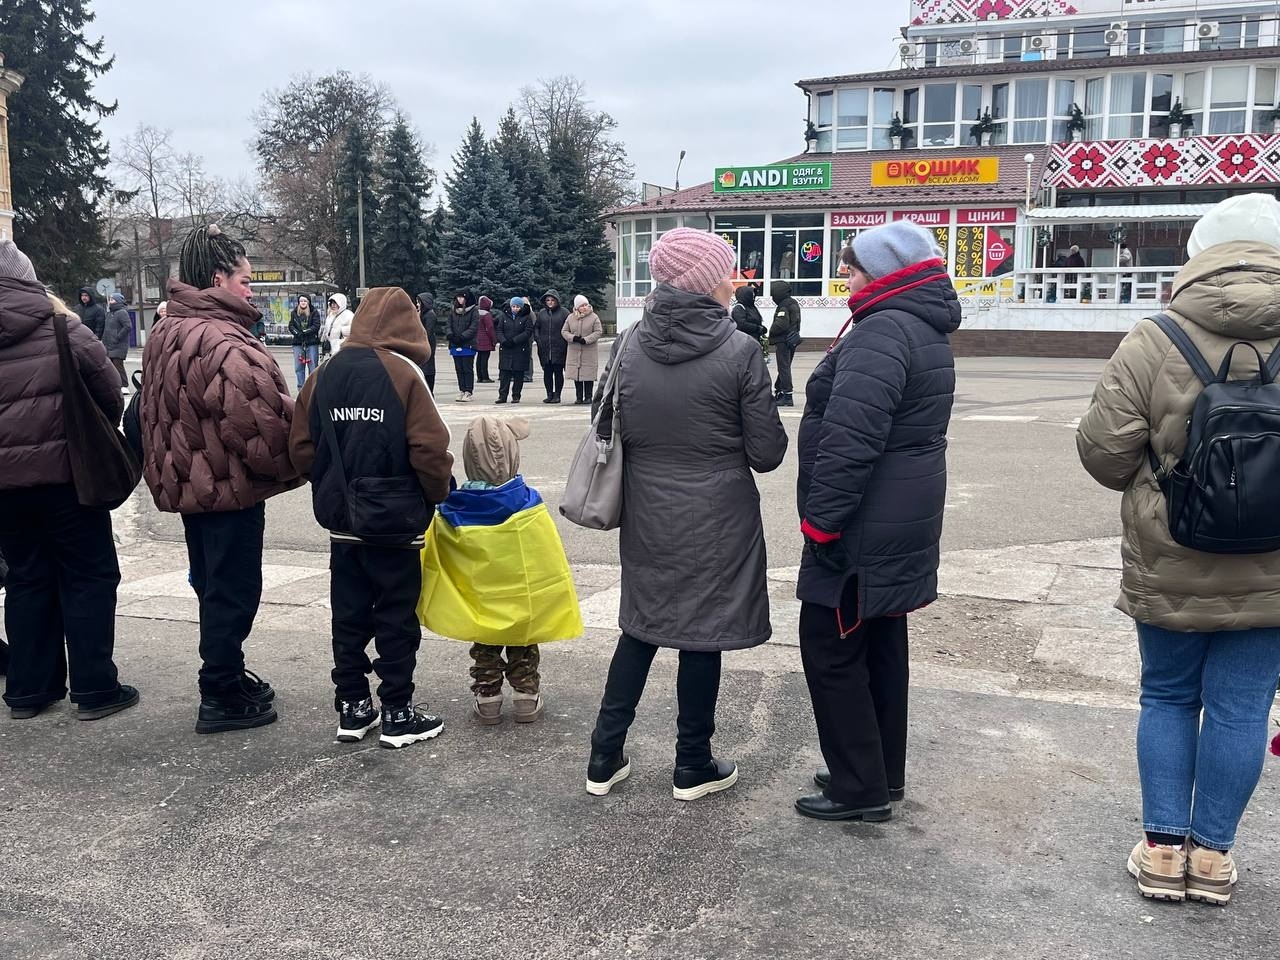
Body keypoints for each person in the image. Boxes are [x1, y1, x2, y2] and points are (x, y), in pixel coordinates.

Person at [1076, 193, 1280, 906]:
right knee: (1243, 708)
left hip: (1172, 552)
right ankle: (1214, 859)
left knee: (1167, 695)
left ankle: (1163, 851)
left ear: (1199, 254)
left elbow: (1104, 458)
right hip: (1275, 567)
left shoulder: (1153, 338)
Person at [585, 227, 788, 801]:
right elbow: (767, 454)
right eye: (727, 269)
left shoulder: (626, 344)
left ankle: (604, 755)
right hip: (719, 514)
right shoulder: (741, 349)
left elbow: (603, 426)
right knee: (702, 635)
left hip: (648, 509)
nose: (735, 280)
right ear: (705, 280)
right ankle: (692, 762)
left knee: (640, 626)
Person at [794, 220, 960, 822]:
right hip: (898, 517)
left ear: (885, 273)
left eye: (854, 266)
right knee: (882, 643)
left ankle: (857, 785)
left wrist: (822, 524)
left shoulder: (882, 330)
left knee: (831, 649)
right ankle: (879, 771)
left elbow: (850, 441)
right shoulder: (916, 325)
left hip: (862, 524)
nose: (845, 275)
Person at [140, 224, 300, 735]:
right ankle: (221, 690)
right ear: (217, 278)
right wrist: (303, 454)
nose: (251, 291)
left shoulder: (168, 329)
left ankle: (227, 672)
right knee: (232, 588)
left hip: (192, 483)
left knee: (212, 583)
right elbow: (260, 421)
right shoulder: (221, 340)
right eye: (246, 281)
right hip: (226, 486)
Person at [288, 286, 453, 750]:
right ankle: (398, 710)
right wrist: (433, 497)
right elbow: (430, 450)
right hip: (396, 521)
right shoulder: (405, 374)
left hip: (343, 522)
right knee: (396, 617)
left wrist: (326, 483)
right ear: (408, 327)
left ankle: (353, 707)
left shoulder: (324, 372)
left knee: (348, 614)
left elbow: (300, 447)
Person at [0, 238, 138, 721]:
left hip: (4, 490)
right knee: (88, 575)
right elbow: (109, 393)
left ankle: (29, 690)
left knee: (26, 578)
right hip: (68, 476)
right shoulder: (64, 329)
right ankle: (96, 688)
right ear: (27, 278)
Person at [419, 416, 580, 724]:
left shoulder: (453, 507)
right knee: (523, 639)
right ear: (511, 454)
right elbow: (546, 553)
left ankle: (487, 696)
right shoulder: (527, 501)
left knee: (485, 640)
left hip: (479, 596)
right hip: (521, 596)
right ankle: (525, 695)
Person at [562, 294, 603, 406]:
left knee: (588, 375)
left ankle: (588, 397)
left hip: (589, 350)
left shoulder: (594, 317)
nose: (584, 307)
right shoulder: (570, 317)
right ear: (577, 307)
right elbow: (564, 331)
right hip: (574, 350)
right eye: (582, 305)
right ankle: (579, 397)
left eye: (586, 305)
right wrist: (573, 338)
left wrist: (586, 340)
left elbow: (598, 332)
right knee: (577, 375)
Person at [768, 280, 801, 407]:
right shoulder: (793, 303)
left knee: (783, 368)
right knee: (785, 367)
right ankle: (781, 391)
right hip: (792, 339)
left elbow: (781, 324)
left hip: (784, 340)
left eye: (773, 294)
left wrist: (771, 332)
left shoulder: (784, 305)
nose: (772, 297)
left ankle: (787, 395)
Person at [496, 297, 534, 405]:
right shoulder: (503, 316)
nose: (515, 309)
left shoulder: (526, 317)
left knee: (518, 374)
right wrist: (503, 340)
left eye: (517, 307)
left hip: (519, 349)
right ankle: (502, 396)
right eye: (513, 306)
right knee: (505, 374)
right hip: (506, 348)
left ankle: (516, 396)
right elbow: (499, 330)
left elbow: (528, 332)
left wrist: (514, 340)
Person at [535, 289, 570, 404]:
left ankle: (557, 395)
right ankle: (549, 394)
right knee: (547, 372)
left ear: (557, 301)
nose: (550, 302)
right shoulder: (541, 313)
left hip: (559, 347)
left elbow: (569, 328)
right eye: (548, 300)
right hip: (544, 347)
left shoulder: (564, 312)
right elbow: (537, 327)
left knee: (558, 372)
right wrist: (538, 338)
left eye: (552, 300)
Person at [447, 291, 478, 402]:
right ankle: (462, 390)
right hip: (455, 343)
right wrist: (451, 335)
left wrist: (462, 337)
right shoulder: (453, 310)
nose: (459, 300)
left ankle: (468, 391)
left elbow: (474, 327)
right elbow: (449, 324)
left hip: (468, 344)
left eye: (461, 298)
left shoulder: (473, 310)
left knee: (467, 368)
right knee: (459, 368)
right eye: (458, 297)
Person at [288, 293, 322, 388]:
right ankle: (301, 388)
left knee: (313, 367)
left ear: (308, 302)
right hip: (298, 343)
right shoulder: (294, 313)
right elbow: (291, 326)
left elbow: (316, 326)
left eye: (305, 301)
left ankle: (312, 388)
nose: (303, 303)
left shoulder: (314, 312)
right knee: (299, 367)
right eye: (301, 301)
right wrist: (297, 333)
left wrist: (305, 332)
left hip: (311, 343)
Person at [102, 292, 132, 393]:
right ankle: (113, 385)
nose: (110, 301)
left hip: (119, 345)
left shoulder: (122, 312)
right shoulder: (109, 313)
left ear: (118, 301)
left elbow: (127, 326)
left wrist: (117, 337)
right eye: (110, 299)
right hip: (108, 344)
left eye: (112, 299)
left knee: (118, 364)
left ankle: (124, 385)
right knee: (110, 366)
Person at [415, 292, 438, 393]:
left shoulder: (430, 315)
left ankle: (429, 389)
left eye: (419, 302)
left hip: (427, 343)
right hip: (423, 342)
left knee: (428, 365)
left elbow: (428, 331)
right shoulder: (422, 313)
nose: (417, 304)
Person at [475, 296, 498, 384]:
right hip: (486, 340)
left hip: (477, 339)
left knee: (479, 358)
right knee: (485, 358)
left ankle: (479, 377)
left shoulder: (476, 313)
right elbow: (490, 328)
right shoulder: (486, 314)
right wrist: (494, 339)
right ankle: (485, 377)